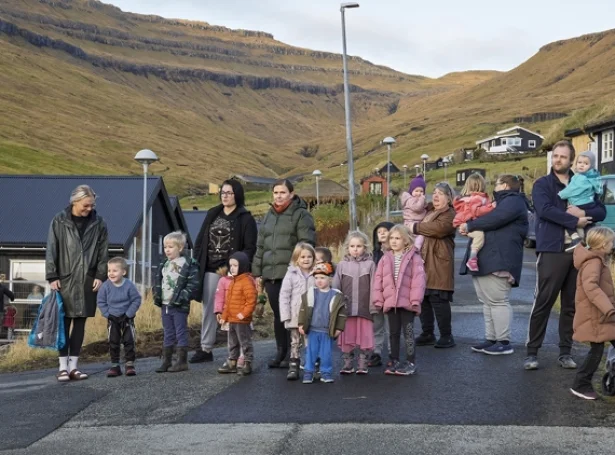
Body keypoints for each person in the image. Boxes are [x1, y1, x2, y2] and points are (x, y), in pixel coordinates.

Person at [526, 140, 606, 371]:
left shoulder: (583, 180)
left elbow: (600, 210)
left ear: (571, 159)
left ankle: (565, 352)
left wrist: (583, 211)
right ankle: (532, 353)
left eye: (563, 156)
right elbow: (545, 210)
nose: (558, 160)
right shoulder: (543, 184)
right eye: (555, 156)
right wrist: (574, 220)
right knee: (544, 301)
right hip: (552, 249)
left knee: (570, 304)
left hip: (579, 251)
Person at [459, 175, 528, 355]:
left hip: (500, 259)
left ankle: (504, 342)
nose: (493, 186)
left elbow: (496, 219)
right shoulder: (501, 202)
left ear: (504, 185)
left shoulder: (513, 201)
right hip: (487, 259)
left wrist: (469, 225)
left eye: (496, 183)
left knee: (498, 301)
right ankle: (491, 339)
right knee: (487, 301)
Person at [46, 184, 108, 382]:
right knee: (63, 324)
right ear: (75, 202)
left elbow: (103, 252)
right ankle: (62, 367)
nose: (89, 209)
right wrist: (52, 276)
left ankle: (74, 367)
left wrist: (100, 275)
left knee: (80, 324)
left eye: (91, 205)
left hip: (88, 280)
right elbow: (51, 249)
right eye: (86, 205)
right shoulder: (59, 221)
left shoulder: (99, 223)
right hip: (64, 280)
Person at [191, 179, 258, 364]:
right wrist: (196, 262)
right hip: (211, 269)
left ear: (237, 194)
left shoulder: (246, 218)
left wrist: (237, 268)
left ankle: (244, 350)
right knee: (210, 308)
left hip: (233, 271)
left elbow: (250, 247)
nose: (225, 196)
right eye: (223, 192)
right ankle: (206, 348)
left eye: (229, 192)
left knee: (239, 307)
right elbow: (200, 240)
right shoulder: (213, 213)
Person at [252, 179, 316, 368]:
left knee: (292, 314)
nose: (278, 196)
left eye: (282, 192)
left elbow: (306, 243)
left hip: (293, 274)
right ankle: (281, 351)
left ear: (291, 193)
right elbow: (261, 245)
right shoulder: (268, 216)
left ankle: (293, 353)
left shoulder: (301, 215)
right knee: (279, 314)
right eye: (276, 193)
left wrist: (299, 267)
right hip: (271, 273)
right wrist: (257, 272)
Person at [372, 224, 426, 375]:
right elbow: (378, 281)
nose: (394, 241)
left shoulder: (414, 258)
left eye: (398, 238)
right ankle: (394, 360)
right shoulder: (385, 258)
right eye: (392, 238)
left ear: (406, 240)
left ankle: (410, 361)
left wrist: (415, 300)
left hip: (407, 303)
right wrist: (378, 300)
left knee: (408, 333)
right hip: (391, 303)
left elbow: (418, 281)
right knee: (393, 333)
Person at [570, 226, 615, 400]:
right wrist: (608, 308)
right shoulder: (593, 262)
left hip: (602, 314)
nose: (613, 244)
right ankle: (580, 384)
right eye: (611, 241)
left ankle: (609, 379)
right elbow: (591, 287)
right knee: (596, 351)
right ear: (603, 244)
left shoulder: (598, 259)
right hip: (596, 315)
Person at [410, 182, 457, 348]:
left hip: (438, 262)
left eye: (441, 194)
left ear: (449, 198)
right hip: (424, 261)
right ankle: (427, 333)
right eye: (434, 193)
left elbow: (439, 229)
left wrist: (415, 227)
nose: (436, 196)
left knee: (439, 299)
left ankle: (446, 335)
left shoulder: (450, 213)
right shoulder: (429, 211)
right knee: (424, 299)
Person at [154, 231, 200, 373]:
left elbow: (193, 284)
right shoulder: (164, 264)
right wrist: (157, 295)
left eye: (170, 247)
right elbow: (158, 281)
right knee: (168, 332)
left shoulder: (187, 264)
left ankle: (182, 361)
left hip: (179, 305)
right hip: (165, 304)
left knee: (180, 331)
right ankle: (167, 360)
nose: (167, 250)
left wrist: (182, 297)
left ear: (180, 248)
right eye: (165, 247)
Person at [333, 231, 376, 375]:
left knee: (364, 336)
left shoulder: (370, 264)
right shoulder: (342, 265)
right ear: (347, 247)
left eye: (359, 246)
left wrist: (373, 306)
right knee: (347, 336)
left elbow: (374, 286)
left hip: (365, 309)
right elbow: (336, 287)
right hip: (347, 309)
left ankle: (363, 363)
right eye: (352, 246)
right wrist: (336, 307)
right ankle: (348, 363)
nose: (355, 249)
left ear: (365, 247)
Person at [298, 262, 347, 384]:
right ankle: (308, 373)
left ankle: (326, 373)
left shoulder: (336, 296)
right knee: (311, 353)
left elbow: (341, 315)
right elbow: (303, 310)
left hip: (326, 331)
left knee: (326, 354)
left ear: (330, 279)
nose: (319, 281)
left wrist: (339, 328)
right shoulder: (310, 294)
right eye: (316, 278)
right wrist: (300, 324)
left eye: (322, 278)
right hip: (313, 330)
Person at [96, 257, 142, 377]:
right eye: (109, 271)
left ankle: (129, 364)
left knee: (129, 340)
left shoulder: (129, 285)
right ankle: (115, 366)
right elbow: (101, 302)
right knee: (113, 341)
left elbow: (136, 300)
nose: (111, 273)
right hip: (112, 318)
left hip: (127, 318)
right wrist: (108, 315)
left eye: (115, 271)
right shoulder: (105, 287)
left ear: (123, 272)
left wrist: (129, 314)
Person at [279, 242, 316, 381]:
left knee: (310, 342)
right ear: (296, 259)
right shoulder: (291, 274)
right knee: (295, 342)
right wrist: (286, 316)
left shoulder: (316, 274)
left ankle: (312, 366)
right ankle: (294, 366)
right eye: (302, 257)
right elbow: (284, 295)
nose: (306, 259)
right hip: (294, 315)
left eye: (309, 257)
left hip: (311, 316)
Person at [217, 252, 257, 376]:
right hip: (232, 319)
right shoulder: (233, 282)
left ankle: (247, 362)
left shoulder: (246, 281)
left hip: (241, 320)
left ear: (243, 266)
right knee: (232, 342)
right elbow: (228, 302)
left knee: (244, 342)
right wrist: (224, 316)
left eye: (235, 265)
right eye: (231, 265)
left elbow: (251, 300)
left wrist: (244, 314)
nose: (232, 268)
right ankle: (232, 362)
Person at [557, 151, 602, 251]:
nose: (582, 165)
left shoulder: (580, 178)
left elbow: (572, 190)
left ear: (591, 166)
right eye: (580, 162)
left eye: (586, 164)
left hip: (580, 204)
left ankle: (575, 237)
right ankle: (590, 239)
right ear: (575, 163)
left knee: (567, 217)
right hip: (589, 203)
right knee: (588, 223)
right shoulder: (593, 177)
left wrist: (561, 194)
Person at [453, 173, 495, 272]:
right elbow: (477, 211)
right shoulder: (476, 198)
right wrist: (492, 207)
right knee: (479, 236)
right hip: (467, 222)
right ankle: (472, 258)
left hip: (467, 222)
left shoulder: (473, 197)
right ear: (481, 185)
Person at [369, 221, 394, 367]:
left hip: (391, 296)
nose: (382, 233)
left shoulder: (396, 253)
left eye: (385, 231)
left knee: (391, 327)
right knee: (376, 326)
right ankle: (376, 353)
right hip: (376, 296)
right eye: (379, 231)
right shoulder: (373, 255)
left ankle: (393, 354)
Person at [400, 175, 426, 249]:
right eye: (416, 191)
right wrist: (422, 199)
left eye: (421, 191)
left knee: (420, 239)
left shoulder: (419, 200)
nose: (419, 193)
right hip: (410, 223)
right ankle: (415, 251)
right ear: (411, 191)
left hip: (417, 224)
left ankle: (416, 251)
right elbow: (417, 208)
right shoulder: (410, 200)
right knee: (413, 241)